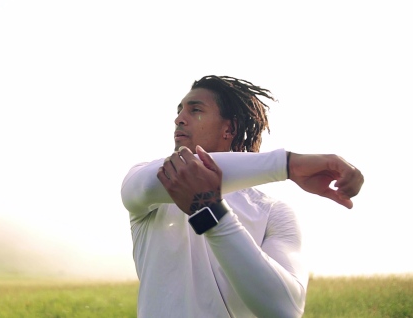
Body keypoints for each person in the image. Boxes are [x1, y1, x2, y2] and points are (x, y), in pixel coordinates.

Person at [120, 75, 364, 318]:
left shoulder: (272, 212)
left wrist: (212, 214)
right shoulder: (146, 179)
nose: (178, 119)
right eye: (179, 110)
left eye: (195, 110)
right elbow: (162, 179)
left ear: (230, 128)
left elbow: (284, 309)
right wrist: (289, 165)